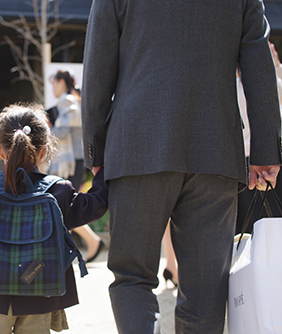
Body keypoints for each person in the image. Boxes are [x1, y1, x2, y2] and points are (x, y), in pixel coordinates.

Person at [81, 1, 281, 333]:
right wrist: (265, 152)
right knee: (207, 291)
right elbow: (259, 65)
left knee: (132, 278)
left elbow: (98, 67)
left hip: (137, 147)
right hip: (214, 150)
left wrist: (97, 152)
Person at [0, 104, 108, 334]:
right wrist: (100, 174)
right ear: (44, 151)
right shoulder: (58, 191)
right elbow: (94, 205)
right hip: (41, 293)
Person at [49, 70, 106, 262]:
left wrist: (45, 130)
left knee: (62, 207)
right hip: (72, 161)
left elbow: (63, 131)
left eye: (53, 82)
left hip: (71, 162)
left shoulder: (69, 101)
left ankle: (83, 244)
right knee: (63, 207)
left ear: (62, 82)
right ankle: (91, 241)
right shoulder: (70, 100)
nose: (52, 87)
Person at [236, 42, 282, 234]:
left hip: (248, 160)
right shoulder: (265, 82)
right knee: (268, 223)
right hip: (264, 158)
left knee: (246, 229)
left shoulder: (233, 84)